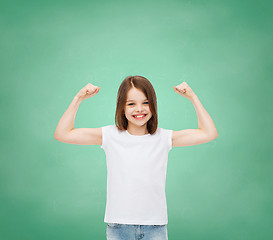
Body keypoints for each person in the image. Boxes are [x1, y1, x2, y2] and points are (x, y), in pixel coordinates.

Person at [54, 75, 218, 240]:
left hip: (155, 227)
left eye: (145, 103)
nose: (139, 109)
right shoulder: (110, 135)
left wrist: (193, 97)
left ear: (153, 106)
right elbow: (62, 133)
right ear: (122, 108)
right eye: (131, 104)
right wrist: (79, 98)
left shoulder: (164, 137)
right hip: (118, 227)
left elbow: (209, 133)